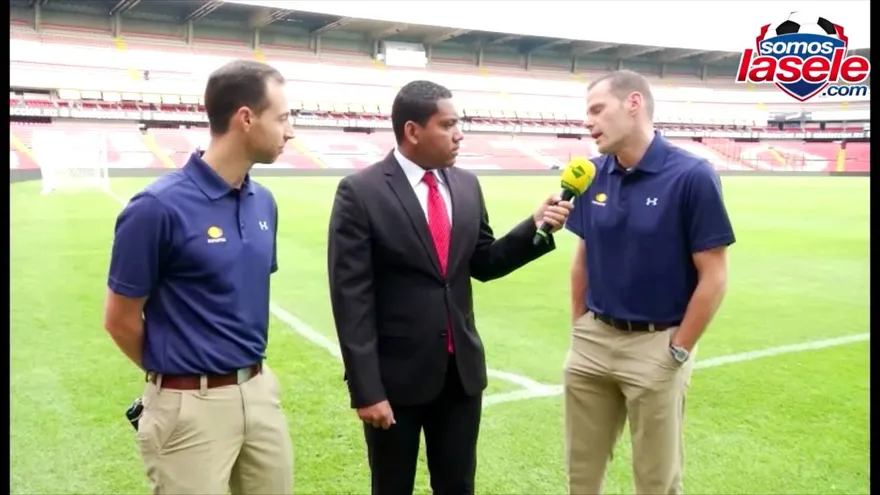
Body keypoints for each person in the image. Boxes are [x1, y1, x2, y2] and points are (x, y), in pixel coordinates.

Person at [326, 80, 573, 495]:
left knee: (458, 485)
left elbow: (483, 262)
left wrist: (535, 227)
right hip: (395, 381)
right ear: (412, 130)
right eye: (448, 124)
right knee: (391, 487)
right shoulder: (361, 192)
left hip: (460, 377)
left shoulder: (465, 185)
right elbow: (351, 299)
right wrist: (367, 390)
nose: (459, 134)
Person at [102, 59, 295, 495]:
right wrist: (178, 383)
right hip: (188, 406)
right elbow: (120, 319)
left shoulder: (263, 202)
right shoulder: (156, 207)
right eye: (282, 117)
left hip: (260, 394)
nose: (291, 130)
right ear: (245, 118)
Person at [562, 69, 735, 495]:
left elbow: (714, 275)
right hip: (592, 343)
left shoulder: (692, 175)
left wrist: (678, 350)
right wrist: (580, 324)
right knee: (580, 476)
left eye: (597, 109)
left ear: (634, 104)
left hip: (657, 346)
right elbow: (582, 255)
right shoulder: (591, 174)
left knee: (656, 481)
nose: (588, 121)